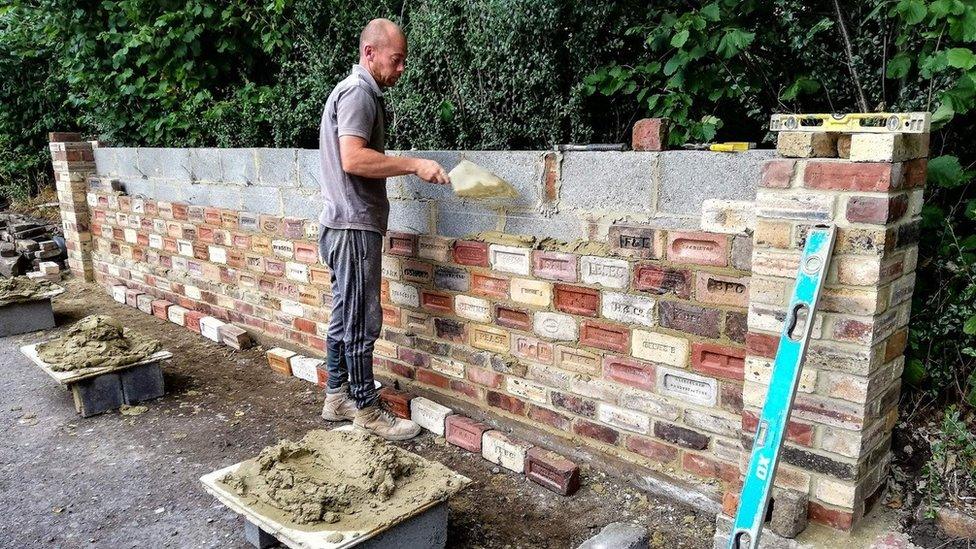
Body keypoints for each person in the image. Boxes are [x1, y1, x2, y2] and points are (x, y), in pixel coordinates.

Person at [317, 18, 450, 440]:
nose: (401, 69)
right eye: (396, 60)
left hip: (341, 225)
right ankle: (366, 410)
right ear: (369, 53)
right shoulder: (359, 93)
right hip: (354, 227)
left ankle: (337, 394)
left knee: (345, 315)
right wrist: (413, 163)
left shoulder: (353, 91)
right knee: (361, 322)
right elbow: (353, 159)